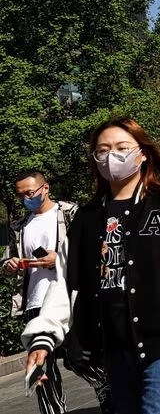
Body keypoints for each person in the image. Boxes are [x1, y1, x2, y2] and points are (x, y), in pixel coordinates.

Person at [22, 117, 160, 414]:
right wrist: (44, 335)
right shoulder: (87, 218)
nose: (113, 157)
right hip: (113, 347)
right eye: (103, 150)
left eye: (122, 147)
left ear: (142, 152)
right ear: (95, 159)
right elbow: (64, 284)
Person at [3, 170, 112, 414]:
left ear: (45, 188)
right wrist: (10, 265)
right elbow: (7, 259)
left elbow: (97, 249)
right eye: (21, 195)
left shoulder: (71, 213)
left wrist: (62, 259)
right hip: (33, 302)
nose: (25, 199)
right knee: (41, 368)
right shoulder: (19, 226)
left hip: (68, 298)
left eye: (30, 193)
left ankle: (108, 388)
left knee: (78, 358)